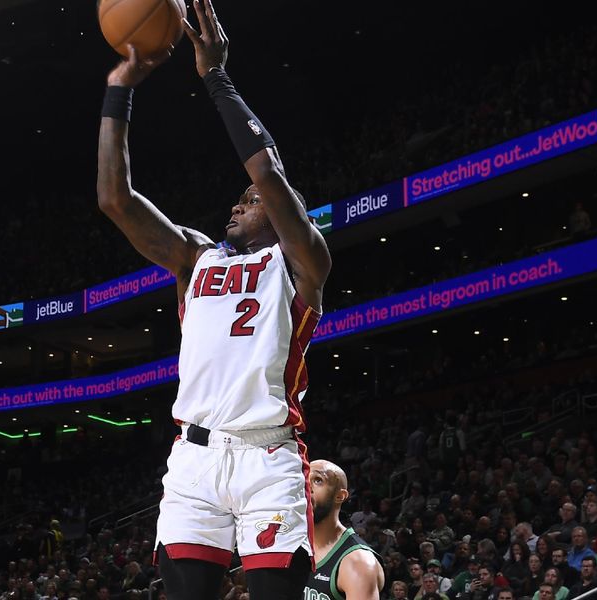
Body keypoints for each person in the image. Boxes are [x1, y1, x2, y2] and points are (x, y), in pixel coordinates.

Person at [96, 1, 331, 598]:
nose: (237, 203)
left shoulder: (301, 262)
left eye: (250, 201)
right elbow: (114, 199)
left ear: (279, 215)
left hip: (268, 458)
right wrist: (119, 92)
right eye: (239, 198)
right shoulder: (196, 257)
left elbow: (271, 173)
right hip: (195, 460)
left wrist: (215, 76)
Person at [304, 460, 384, 599]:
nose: (306, 486)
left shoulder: (359, 562)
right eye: (304, 478)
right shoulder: (291, 544)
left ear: (340, 496)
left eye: (318, 480)